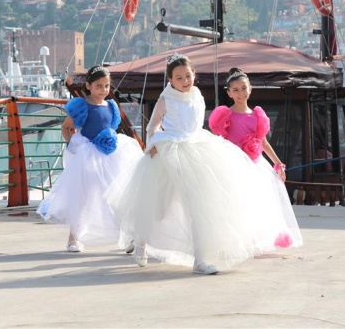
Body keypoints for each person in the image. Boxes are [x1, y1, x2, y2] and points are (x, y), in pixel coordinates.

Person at [106, 53, 267, 275]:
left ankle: (200, 260)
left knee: (200, 206)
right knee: (159, 207)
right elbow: (152, 127)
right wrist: (152, 145)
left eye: (188, 76)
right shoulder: (166, 99)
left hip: (197, 149)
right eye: (179, 78)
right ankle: (141, 241)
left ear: (194, 75)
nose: (185, 81)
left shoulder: (197, 95)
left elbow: (195, 126)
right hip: (169, 151)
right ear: (170, 80)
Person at [37, 65, 143, 252]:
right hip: (88, 154)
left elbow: (110, 127)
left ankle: (126, 236)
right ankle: (73, 238)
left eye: (106, 86)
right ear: (88, 86)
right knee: (83, 196)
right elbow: (66, 127)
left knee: (116, 194)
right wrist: (72, 144)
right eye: (98, 86)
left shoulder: (111, 106)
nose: (103, 90)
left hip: (110, 155)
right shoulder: (82, 106)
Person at [208, 67, 303, 251]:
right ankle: (235, 240)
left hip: (255, 165)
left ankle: (256, 239)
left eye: (244, 88)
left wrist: (278, 163)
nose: (241, 93)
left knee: (257, 203)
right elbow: (217, 140)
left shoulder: (257, 116)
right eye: (235, 90)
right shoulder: (225, 115)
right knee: (234, 202)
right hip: (233, 165)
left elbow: (263, 142)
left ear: (250, 89)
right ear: (229, 93)